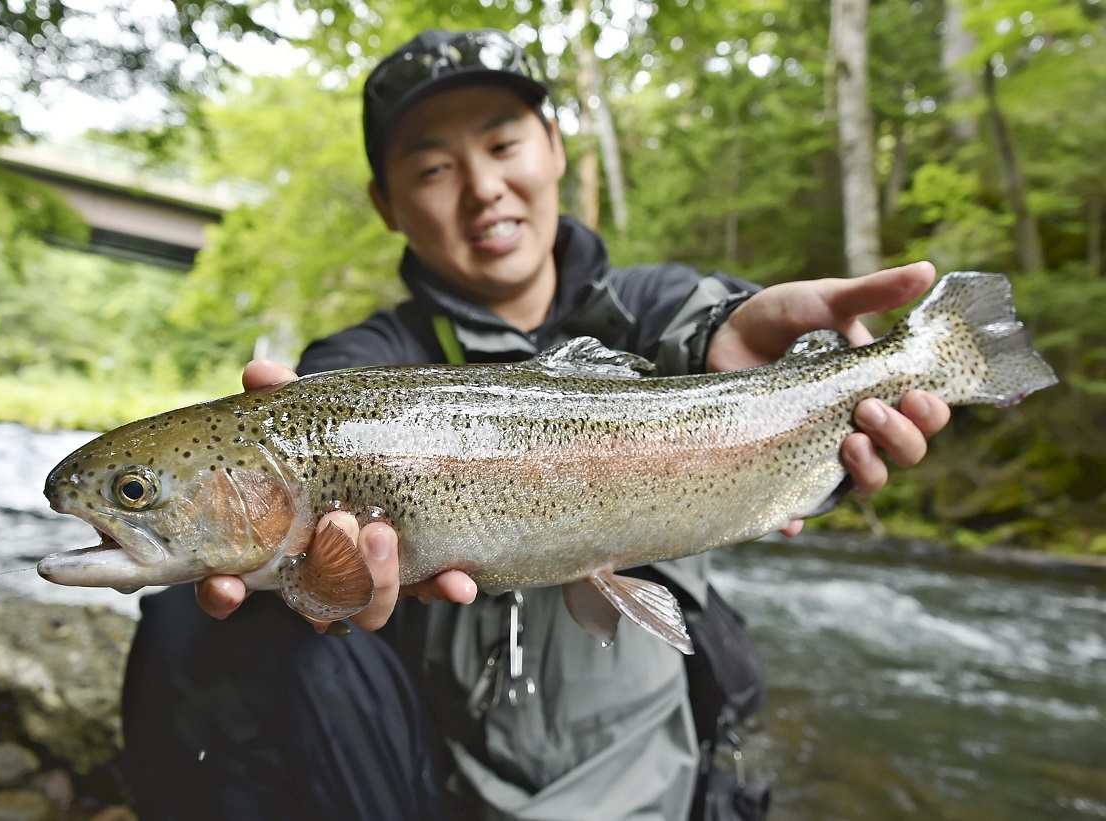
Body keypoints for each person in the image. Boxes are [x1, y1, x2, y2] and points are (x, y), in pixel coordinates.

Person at [122, 28, 952, 821]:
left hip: (659, 758)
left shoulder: (650, 304)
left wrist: (785, 382)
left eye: (503, 144)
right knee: (197, 612)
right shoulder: (361, 363)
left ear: (556, 148)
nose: (483, 187)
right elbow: (325, 411)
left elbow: (701, 322)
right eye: (435, 166)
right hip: (439, 760)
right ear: (386, 203)